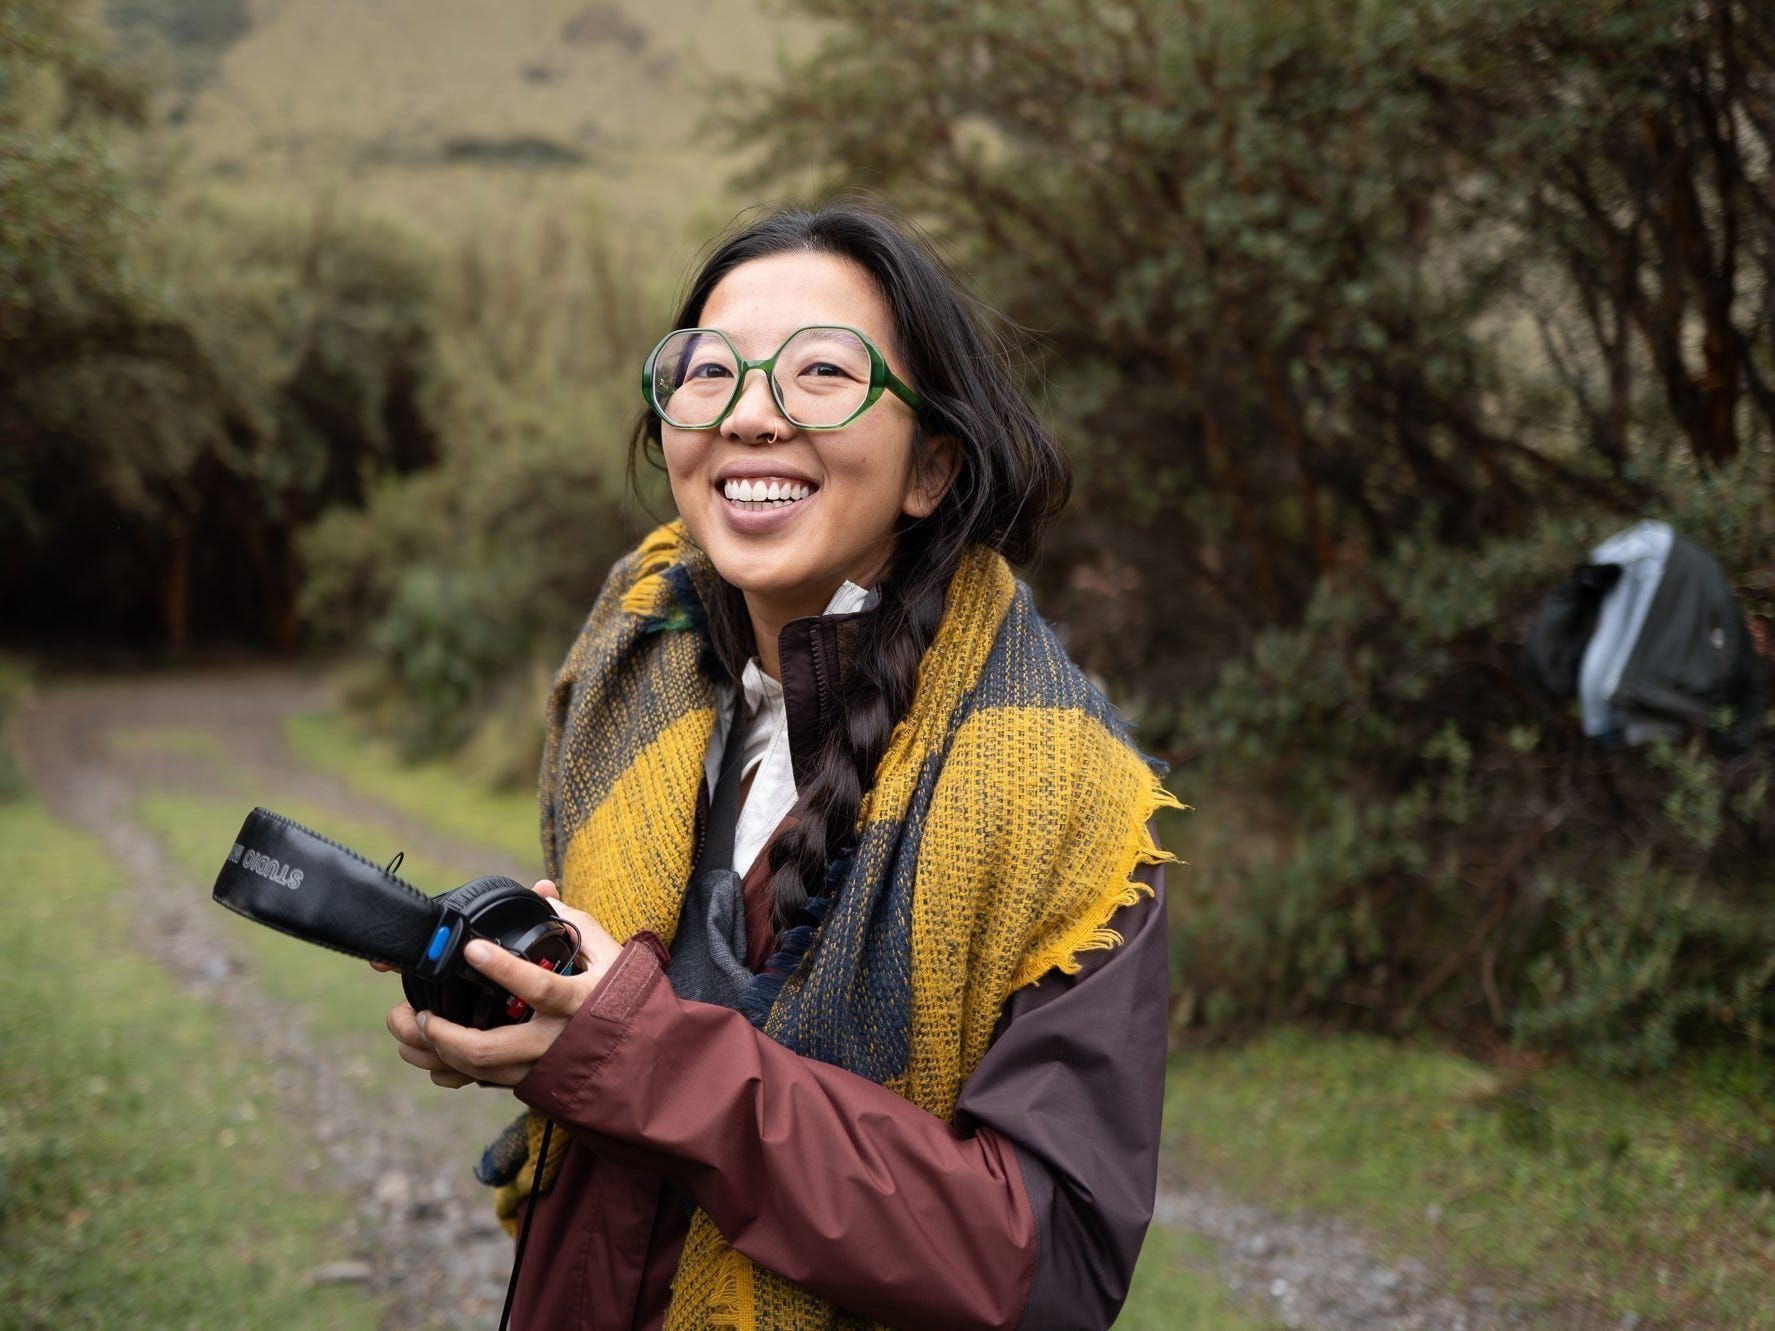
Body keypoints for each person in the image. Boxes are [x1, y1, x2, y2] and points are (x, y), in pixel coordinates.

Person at [383, 201, 1179, 1331]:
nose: (751, 416)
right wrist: (521, 1017)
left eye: (820, 374)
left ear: (931, 466)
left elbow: (1041, 1263)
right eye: (709, 373)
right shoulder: (633, 666)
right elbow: (606, 1037)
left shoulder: (1065, 805)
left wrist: (636, 1052)